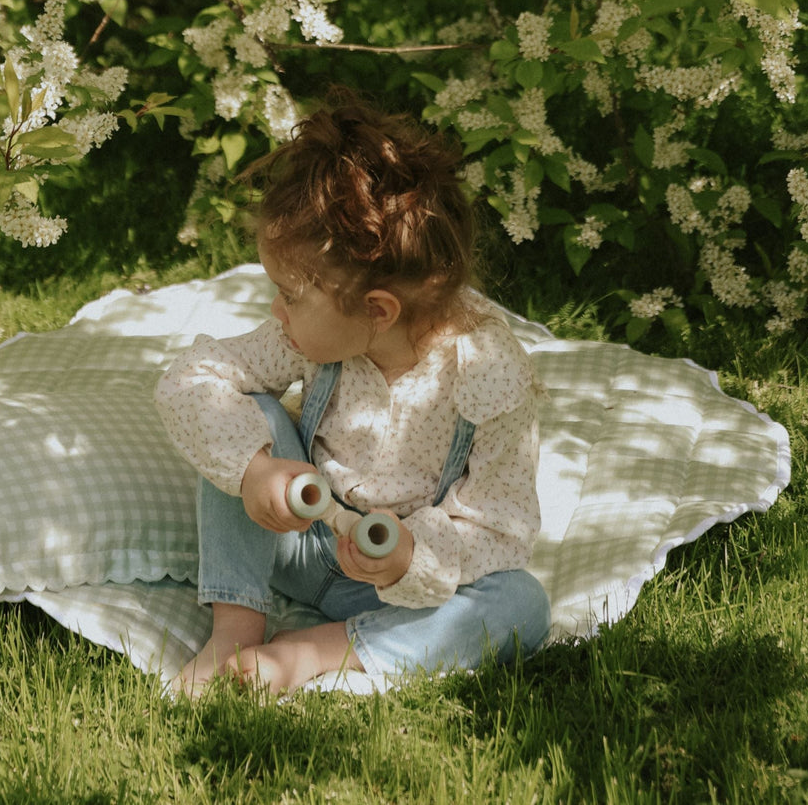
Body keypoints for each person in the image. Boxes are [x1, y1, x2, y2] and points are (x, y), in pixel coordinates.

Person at [153, 94, 551, 694]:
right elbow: (192, 380)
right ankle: (236, 628)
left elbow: (500, 526)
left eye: (290, 295)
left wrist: (410, 558)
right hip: (300, 542)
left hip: (404, 588)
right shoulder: (310, 339)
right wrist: (256, 471)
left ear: (377, 311)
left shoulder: (488, 375)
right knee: (247, 410)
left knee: (521, 603)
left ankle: (319, 650)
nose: (275, 310)